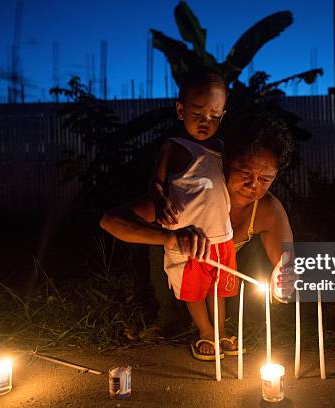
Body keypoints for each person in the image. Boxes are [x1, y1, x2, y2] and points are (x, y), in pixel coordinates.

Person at [102, 67, 238, 361]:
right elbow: (156, 180)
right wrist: (161, 198)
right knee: (195, 292)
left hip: (221, 237)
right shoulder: (174, 146)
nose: (206, 121)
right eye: (198, 113)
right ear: (180, 110)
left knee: (219, 290)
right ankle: (204, 331)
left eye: (214, 115)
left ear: (223, 114)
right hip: (189, 242)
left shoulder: (223, 149)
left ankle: (221, 331)